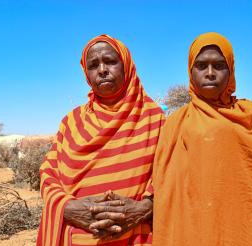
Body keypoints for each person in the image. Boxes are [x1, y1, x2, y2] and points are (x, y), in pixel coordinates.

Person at [153, 32, 252, 246]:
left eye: (219, 65)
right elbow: (166, 189)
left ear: (231, 70)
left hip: (243, 233)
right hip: (192, 231)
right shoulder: (176, 123)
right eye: (201, 66)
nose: (210, 73)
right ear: (190, 70)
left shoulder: (251, 116)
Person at [37, 34, 165, 246]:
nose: (102, 69)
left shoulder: (154, 118)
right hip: (78, 238)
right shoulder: (71, 122)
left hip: (136, 238)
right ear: (86, 74)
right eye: (93, 65)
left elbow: (170, 175)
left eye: (110, 61)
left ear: (126, 65)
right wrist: (68, 208)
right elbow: (49, 173)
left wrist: (144, 208)